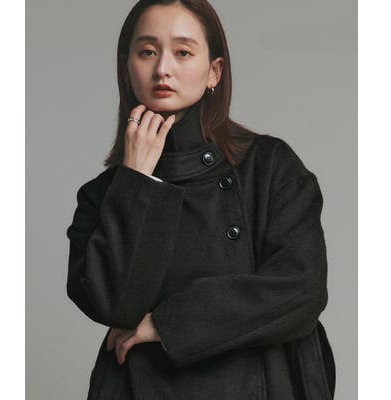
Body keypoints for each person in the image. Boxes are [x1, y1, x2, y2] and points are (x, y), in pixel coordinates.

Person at [65, 1, 336, 399]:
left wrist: (168, 324)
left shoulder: (270, 167)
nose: (163, 69)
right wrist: (136, 181)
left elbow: (302, 288)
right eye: (147, 52)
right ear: (126, 69)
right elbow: (114, 305)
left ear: (214, 71)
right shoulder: (103, 195)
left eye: (183, 52)